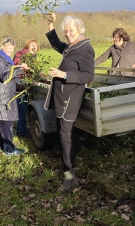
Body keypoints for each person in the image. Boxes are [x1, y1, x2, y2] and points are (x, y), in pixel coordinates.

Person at [46, 13, 95, 192]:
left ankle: (70, 177)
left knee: (65, 136)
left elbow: (89, 75)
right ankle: (66, 166)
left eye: (71, 30)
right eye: (66, 31)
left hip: (71, 98)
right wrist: (50, 23)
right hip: (62, 97)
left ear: (80, 30)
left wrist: (64, 75)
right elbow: (56, 44)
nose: (68, 34)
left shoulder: (85, 48)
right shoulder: (71, 47)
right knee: (63, 134)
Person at [0, 37, 30, 156]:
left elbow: (11, 75)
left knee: (5, 124)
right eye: (9, 46)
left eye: (13, 47)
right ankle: (9, 150)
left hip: (6, 97)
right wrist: (20, 67)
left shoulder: (6, 60)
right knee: (7, 124)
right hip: (2, 98)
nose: (11, 49)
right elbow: (5, 77)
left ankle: (3, 146)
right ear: (2, 46)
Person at [13, 39, 39, 137]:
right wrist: (22, 66)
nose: (34, 47)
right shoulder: (21, 54)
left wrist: (39, 74)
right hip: (19, 85)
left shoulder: (33, 57)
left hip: (27, 86)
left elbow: (34, 71)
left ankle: (21, 128)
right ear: (27, 45)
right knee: (22, 108)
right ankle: (22, 131)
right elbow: (15, 65)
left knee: (23, 108)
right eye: (32, 44)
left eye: (36, 46)